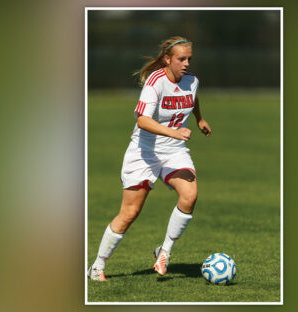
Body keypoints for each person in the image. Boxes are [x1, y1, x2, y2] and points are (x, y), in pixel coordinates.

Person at [88, 36, 212, 281]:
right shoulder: (155, 82)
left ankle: (164, 251)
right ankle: (97, 266)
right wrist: (174, 132)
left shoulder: (192, 80)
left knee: (190, 195)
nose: (186, 63)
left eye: (189, 59)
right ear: (167, 59)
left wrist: (199, 119)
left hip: (174, 151)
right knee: (130, 212)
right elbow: (143, 120)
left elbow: (192, 96)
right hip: (144, 153)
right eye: (181, 59)